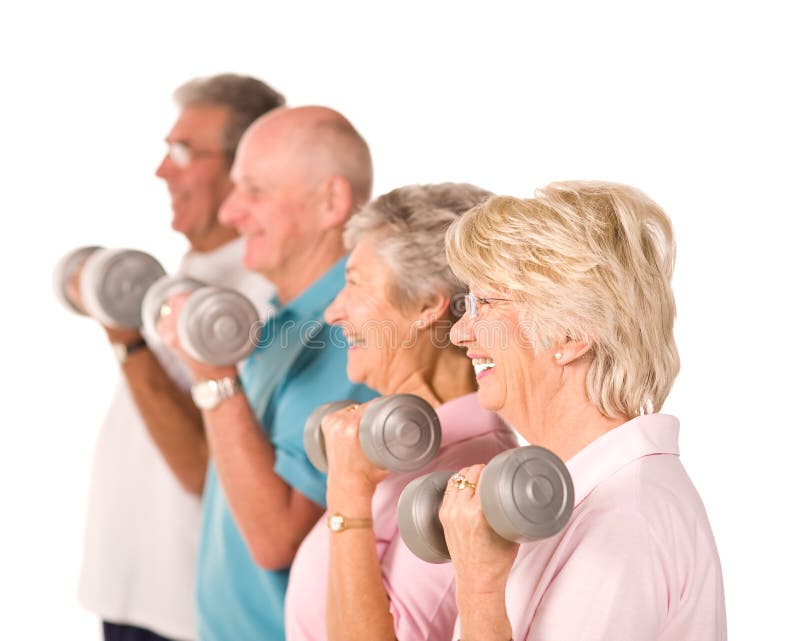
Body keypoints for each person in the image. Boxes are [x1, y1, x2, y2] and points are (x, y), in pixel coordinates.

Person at [438, 181, 727, 640]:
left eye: (487, 304)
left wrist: (479, 590)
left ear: (571, 333)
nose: (459, 335)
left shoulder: (626, 519)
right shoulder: (582, 497)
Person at [157, 106, 378, 641]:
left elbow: (275, 539)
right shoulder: (280, 319)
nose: (230, 213)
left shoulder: (356, 341)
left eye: (253, 191)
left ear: (332, 201)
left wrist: (213, 378)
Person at [77, 74, 284, 641]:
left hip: (182, 614)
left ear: (245, 165)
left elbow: (202, 465)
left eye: (182, 151)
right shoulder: (188, 275)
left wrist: (126, 338)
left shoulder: (263, 296)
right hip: (124, 595)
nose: (162, 170)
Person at [283, 183, 518, 641]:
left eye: (353, 283)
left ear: (427, 305)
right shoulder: (388, 457)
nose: (333, 311)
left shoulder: (470, 480)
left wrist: (347, 494)